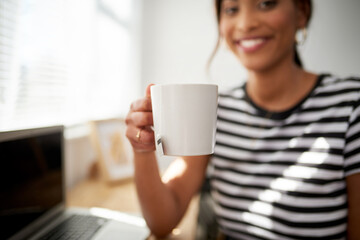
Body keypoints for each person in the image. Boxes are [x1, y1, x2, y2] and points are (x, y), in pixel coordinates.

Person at [125, 0, 360, 239]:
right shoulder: (214, 109)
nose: (246, 24)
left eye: (267, 3)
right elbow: (163, 221)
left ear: (301, 12)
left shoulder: (350, 104)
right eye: (231, 9)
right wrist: (143, 149)